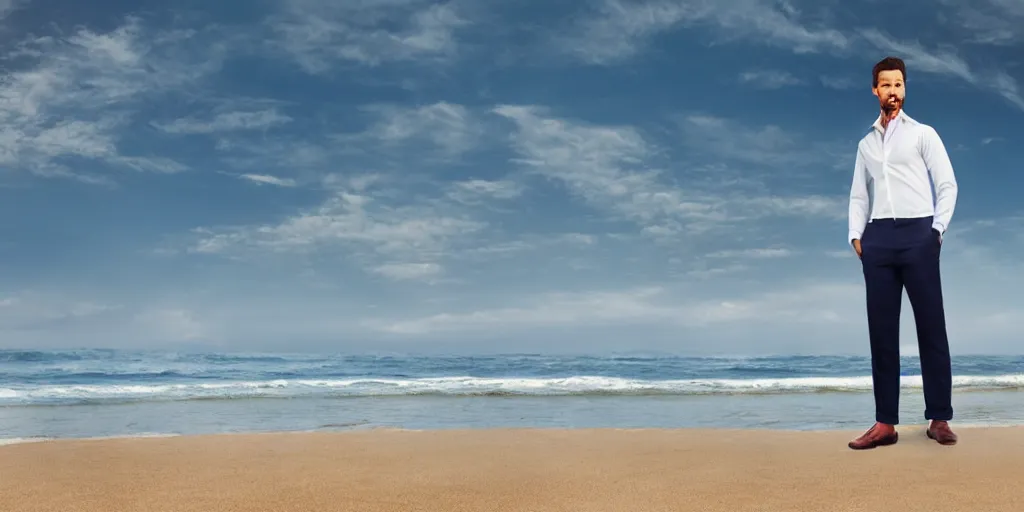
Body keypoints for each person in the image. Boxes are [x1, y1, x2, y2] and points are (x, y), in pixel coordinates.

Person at [846, 56, 959, 450]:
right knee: (882, 334)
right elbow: (860, 194)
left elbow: (947, 184)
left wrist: (936, 230)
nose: (892, 90)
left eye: (898, 84)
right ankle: (885, 424)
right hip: (878, 239)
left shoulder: (924, 135)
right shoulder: (865, 145)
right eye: (885, 84)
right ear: (875, 90)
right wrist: (856, 236)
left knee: (931, 327)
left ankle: (939, 418)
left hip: (919, 234)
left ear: (904, 89)